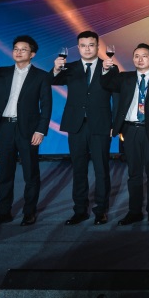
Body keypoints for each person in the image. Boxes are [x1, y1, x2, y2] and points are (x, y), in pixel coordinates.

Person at [0, 35, 52, 227]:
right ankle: (3, 213)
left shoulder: (41, 76)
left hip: (28, 130)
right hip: (4, 127)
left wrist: (41, 130)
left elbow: (46, 105)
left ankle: (29, 212)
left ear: (32, 54)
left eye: (23, 49)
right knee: (5, 173)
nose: (18, 52)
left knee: (30, 173)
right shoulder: (2, 72)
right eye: (16, 48)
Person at [101, 43, 149, 226]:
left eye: (144, 56)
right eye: (136, 56)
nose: (140, 60)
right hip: (130, 130)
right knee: (134, 174)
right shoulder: (124, 78)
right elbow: (106, 84)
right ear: (133, 59)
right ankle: (134, 212)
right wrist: (105, 70)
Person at [52, 30, 114, 226]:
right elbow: (52, 80)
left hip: (101, 124)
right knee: (78, 169)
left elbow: (117, 95)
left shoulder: (109, 67)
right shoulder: (69, 68)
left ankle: (101, 211)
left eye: (91, 45)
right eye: (83, 45)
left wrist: (114, 124)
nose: (87, 49)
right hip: (76, 125)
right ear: (78, 48)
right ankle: (79, 211)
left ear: (98, 47)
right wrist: (56, 69)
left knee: (101, 170)